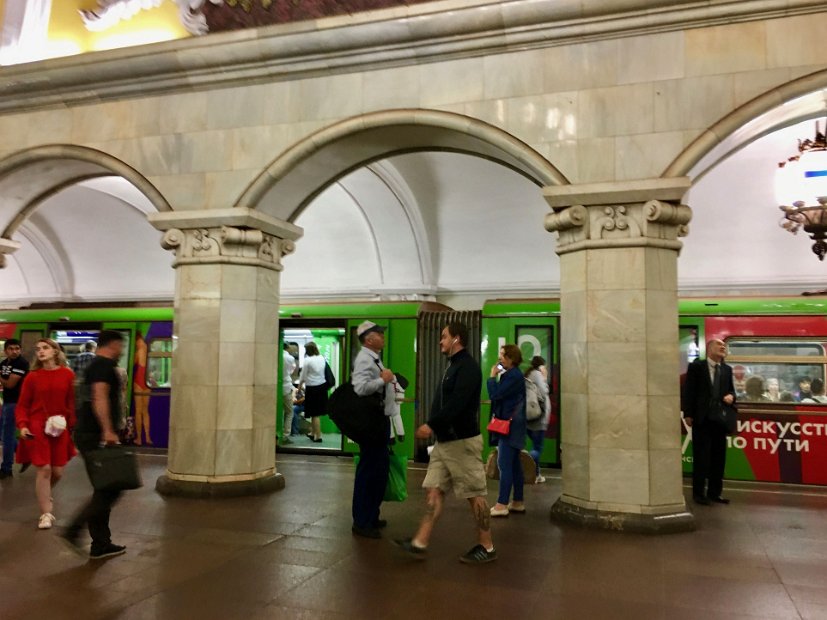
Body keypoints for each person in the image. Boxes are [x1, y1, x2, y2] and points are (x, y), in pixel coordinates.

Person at [394, 322, 497, 564]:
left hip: (462, 442)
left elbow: (458, 403)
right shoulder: (453, 366)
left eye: (444, 337)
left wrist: (432, 424)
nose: (440, 341)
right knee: (434, 489)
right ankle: (420, 541)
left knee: (475, 494)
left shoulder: (468, 367)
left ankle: (488, 546)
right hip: (445, 442)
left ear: (456, 339)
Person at [60, 330, 129, 559]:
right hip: (95, 434)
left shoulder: (96, 365)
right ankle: (74, 530)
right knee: (111, 488)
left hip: (90, 433)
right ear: (114, 344)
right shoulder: (103, 365)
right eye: (120, 346)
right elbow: (99, 397)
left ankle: (101, 543)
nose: (121, 351)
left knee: (105, 487)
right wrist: (108, 430)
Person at [15, 338, 76, 529]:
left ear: (55, 352)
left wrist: (72, 425)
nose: (40, 351)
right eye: (38, 349)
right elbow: (23, 405)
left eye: (45, 348)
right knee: (45, 469)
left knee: (57, 471)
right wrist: (23, 426)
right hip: (36, 426)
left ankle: (45, 493)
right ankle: (46, 514)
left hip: (59, 427)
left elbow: (72, 403)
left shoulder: (68, 375)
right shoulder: (32, 377)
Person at [349, 322, 394, 538]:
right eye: (379, 334)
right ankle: (361, 521)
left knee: (378, 470)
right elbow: (359, 388)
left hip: (378, 420)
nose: (383, 337)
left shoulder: (373, 357)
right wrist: (381, 380)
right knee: (369, 471)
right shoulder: (364, 359)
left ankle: (371, 516)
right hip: (371, 423)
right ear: (369, 339)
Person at [682, 338, 736, 506]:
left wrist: (731, 397)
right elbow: (689, 391)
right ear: (710, 348)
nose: (723, 348)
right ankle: (699, 494)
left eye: (724, 346)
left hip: (720, 419)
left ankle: (715, 493)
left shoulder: (727, 370)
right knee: (701, 458)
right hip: (703, 418)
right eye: (720, 345)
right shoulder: (697, 367)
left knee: (719, 458)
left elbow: (732, 392)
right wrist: (688, 414)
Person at [487, 344, 527, 517]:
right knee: (515, 465)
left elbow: (495, 395)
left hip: (509, 427)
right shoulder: (514, 375)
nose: (500, 358)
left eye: (503, 355)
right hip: (515, 425)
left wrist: (491, 377)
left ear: (511, 358)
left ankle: (502, 504)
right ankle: (517, 501)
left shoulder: (513, 376)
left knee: (504, 464)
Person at [0, 339, 29, 479]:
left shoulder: (21, 363)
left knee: (7, 435)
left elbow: (10, 384)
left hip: (16, 403)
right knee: (4, 432)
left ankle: (6, 468)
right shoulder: (4, 363)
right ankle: (26, 456)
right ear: (6, 350)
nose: (14, 351)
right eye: (11, 349)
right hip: (7, 402)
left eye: (17, 348)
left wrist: (1, 378)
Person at [525, 355, 551, 484]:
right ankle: (529, 465)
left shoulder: (528, 374)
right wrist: (545, 378)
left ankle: (537, 473)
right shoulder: (537, 375)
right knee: (537, 448)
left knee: (536, 446)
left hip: (530, 418)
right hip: (538, 419)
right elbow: (544, 391)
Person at [298, 342, 328, 443]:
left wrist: (299, 387)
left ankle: (318, 436)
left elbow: (303, 376)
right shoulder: (322, 358)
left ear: (307, 350)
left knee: (314, 414)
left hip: (312, 388)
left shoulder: (307, 360)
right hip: (322, 387)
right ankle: (312, 433)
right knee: (316, 413)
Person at [132, 332, 152, 446]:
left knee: (138, 411)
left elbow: (133, 363)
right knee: (145, 411)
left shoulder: (139, 351)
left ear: (136, 340)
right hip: (147, 382)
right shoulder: (149, 348)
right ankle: (148, 438)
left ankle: (139, 438)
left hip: (139, 381)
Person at [281, 342, 297, 445]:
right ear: (287, 348)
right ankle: (285, 436)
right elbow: (291, 371)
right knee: (289, 412)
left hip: (276, 387)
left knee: (280, 412)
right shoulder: (290, 358)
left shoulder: (274, 355)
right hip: (286, 387)